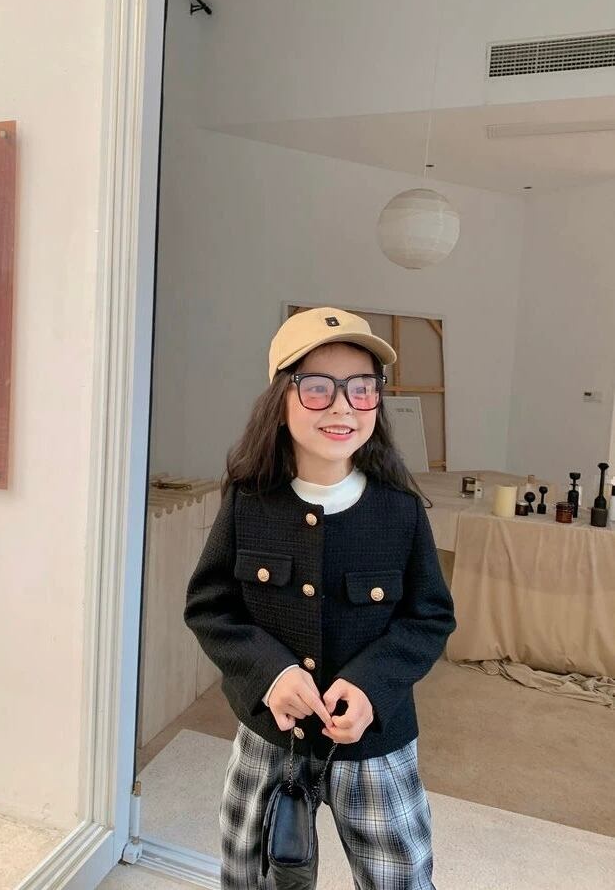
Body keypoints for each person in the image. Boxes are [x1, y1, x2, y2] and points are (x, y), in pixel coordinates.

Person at [183, 306, 456, 889]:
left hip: (376, 742)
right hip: (269, 740)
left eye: (362, 388)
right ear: (280, 400)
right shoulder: (249, 503)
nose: (342, 406)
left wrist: (373, 685)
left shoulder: (400, 511)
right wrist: (270, 674)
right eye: (317, 387)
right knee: (250, 876)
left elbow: (429, 617)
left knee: (402, 878)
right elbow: (210, 606)